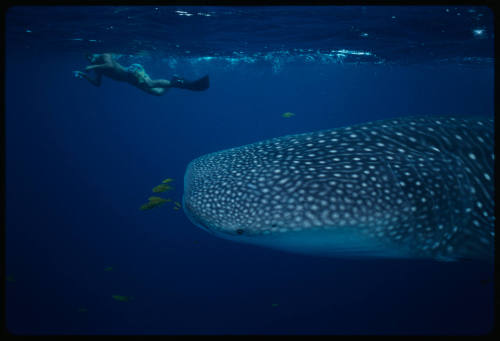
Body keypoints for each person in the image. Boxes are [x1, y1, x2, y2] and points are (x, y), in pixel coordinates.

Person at [73, 53, 209, 96]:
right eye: (89, 60)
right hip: (129, 79)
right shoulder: (98, 68)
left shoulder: (104, 56)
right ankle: (175, 81)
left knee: (150, 83)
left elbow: (110, 65)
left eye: (92, 58)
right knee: (158, 93)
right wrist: (84, 75)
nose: (91, 60)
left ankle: (186, 84)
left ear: (95, 55)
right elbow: (97, 84)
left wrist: (92, 65)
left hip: (131, 71)